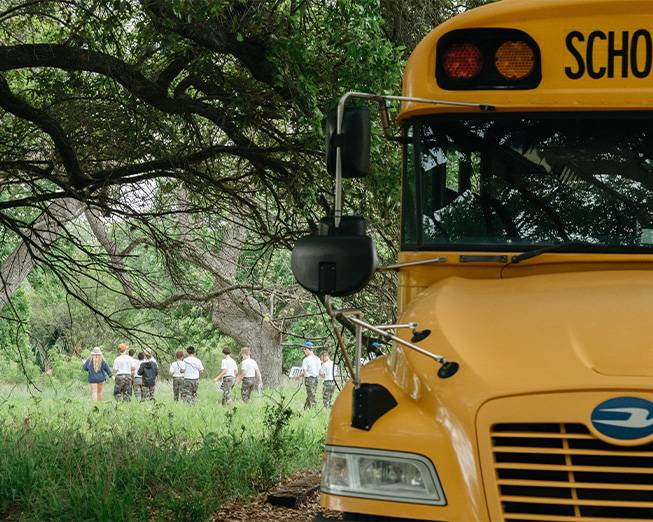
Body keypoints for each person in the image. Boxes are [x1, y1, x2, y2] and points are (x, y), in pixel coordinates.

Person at [298, 341, 321, 409]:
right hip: (315, 379)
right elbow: (319, 371)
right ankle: (306, 409)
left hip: (310, 379)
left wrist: (304, 376)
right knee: (311, 394)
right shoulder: (317, 359)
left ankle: (314, 409)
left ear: (308, 349)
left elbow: (305, 371)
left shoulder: (306, 359)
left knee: (311, 395)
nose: (304, 350)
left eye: (305, 349)